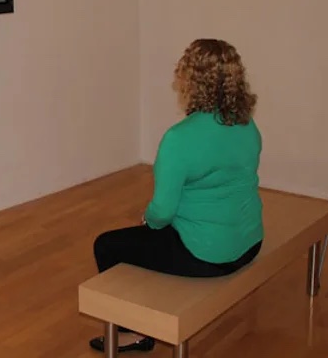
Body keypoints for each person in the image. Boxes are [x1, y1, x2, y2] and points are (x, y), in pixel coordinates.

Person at [89, 38, 264, 354]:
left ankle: (135, 333)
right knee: (152, 242)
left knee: (107, 245)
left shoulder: (178, 139)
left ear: (190, 80)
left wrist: (148, 220)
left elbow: (162, 212)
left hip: (206, 256)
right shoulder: (247, 125)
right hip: (250, 243)